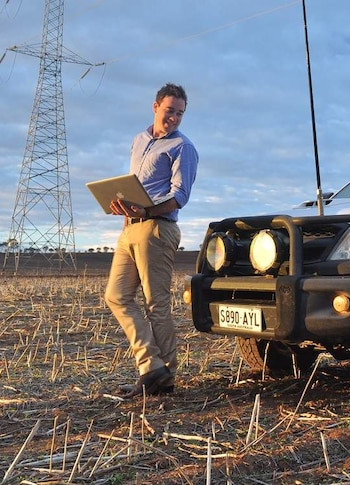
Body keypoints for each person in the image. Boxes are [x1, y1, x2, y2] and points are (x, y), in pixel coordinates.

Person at [105, 83, 198, 399]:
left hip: (157, 228)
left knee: (156, 305)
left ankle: (164, 376)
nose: (174, 118)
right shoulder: (139, 140)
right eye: (170, 110)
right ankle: (152, 366)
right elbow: (134, 185)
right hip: (129, 227)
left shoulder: (183, 148)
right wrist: (123, 210)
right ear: (155, 107)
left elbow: (179, 195)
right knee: (116, 296)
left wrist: (147, 210)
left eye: (180, 113)